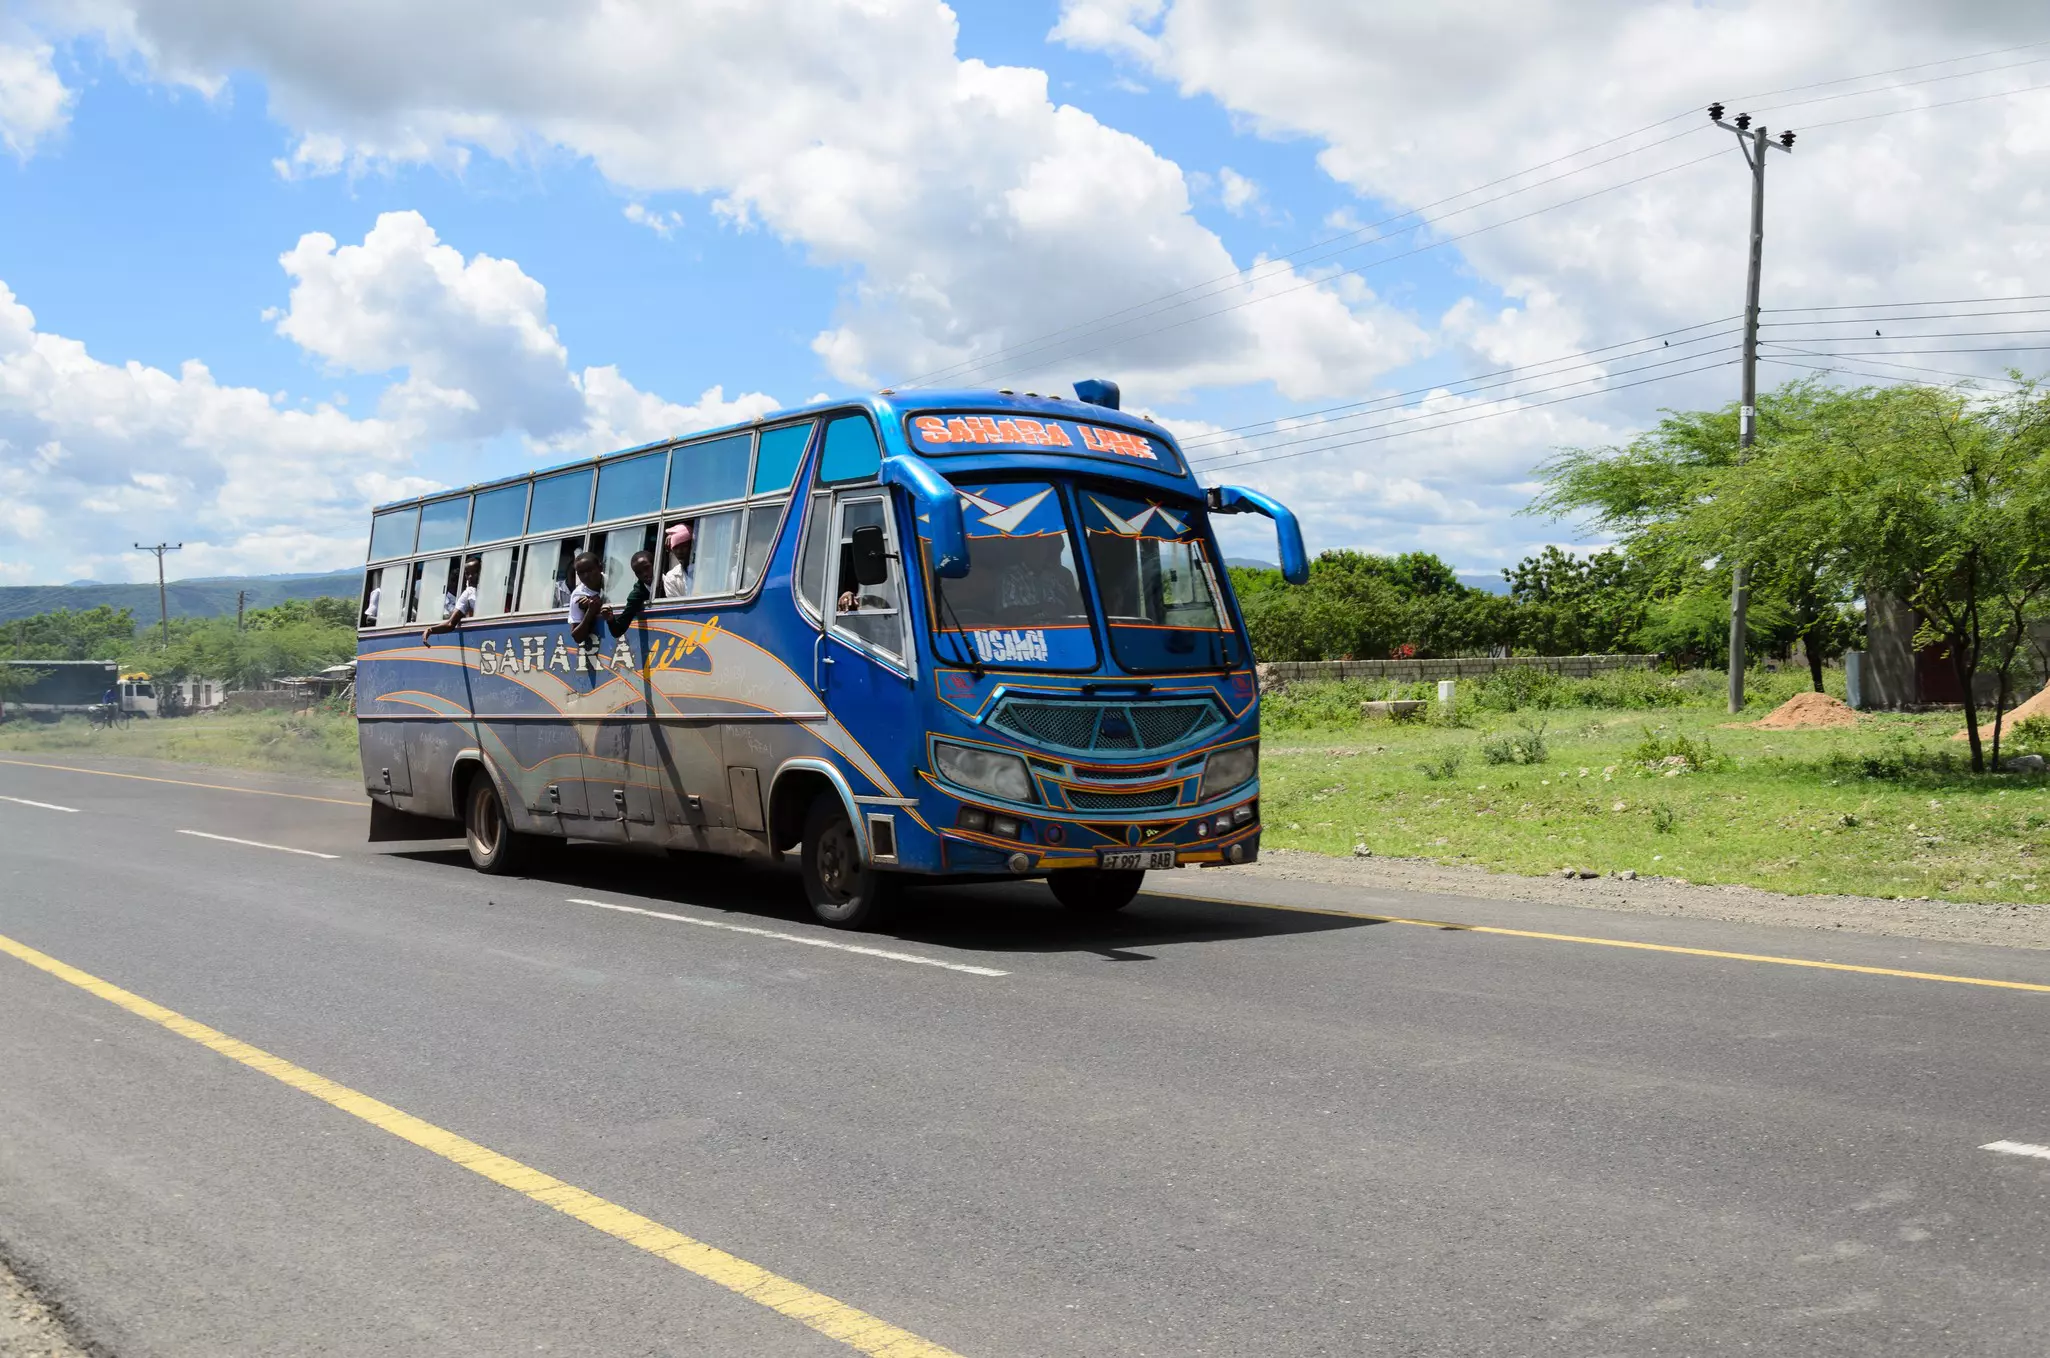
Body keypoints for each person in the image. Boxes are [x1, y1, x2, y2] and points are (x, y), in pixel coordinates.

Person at [421, 556, 482, 646]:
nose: (470, 577)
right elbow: (450, 624)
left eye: (474, 573)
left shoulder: (494, 588)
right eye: (467, 574)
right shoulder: (468, 593)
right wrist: (431, 630)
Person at [608, 550, 655, 637]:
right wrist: (610, 619)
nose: (644, 574)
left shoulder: (670, 578)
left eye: (647, 568)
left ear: (654, 564)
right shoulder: (637, 594)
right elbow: (618, 630)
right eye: (639, 572)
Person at [568, 549, 607, 645]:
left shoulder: (612, 582)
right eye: (581, 573)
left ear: (600, 568)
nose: (586, 576)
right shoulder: (578, 595)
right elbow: (577, 637)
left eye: (590, 570)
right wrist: (590, 612)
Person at [660, 521, 694, 598]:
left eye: (684, 546)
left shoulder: (707, 569)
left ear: (692, 546)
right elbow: (676, 607)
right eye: (675, 547)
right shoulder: (671, 577)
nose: (679, 551)